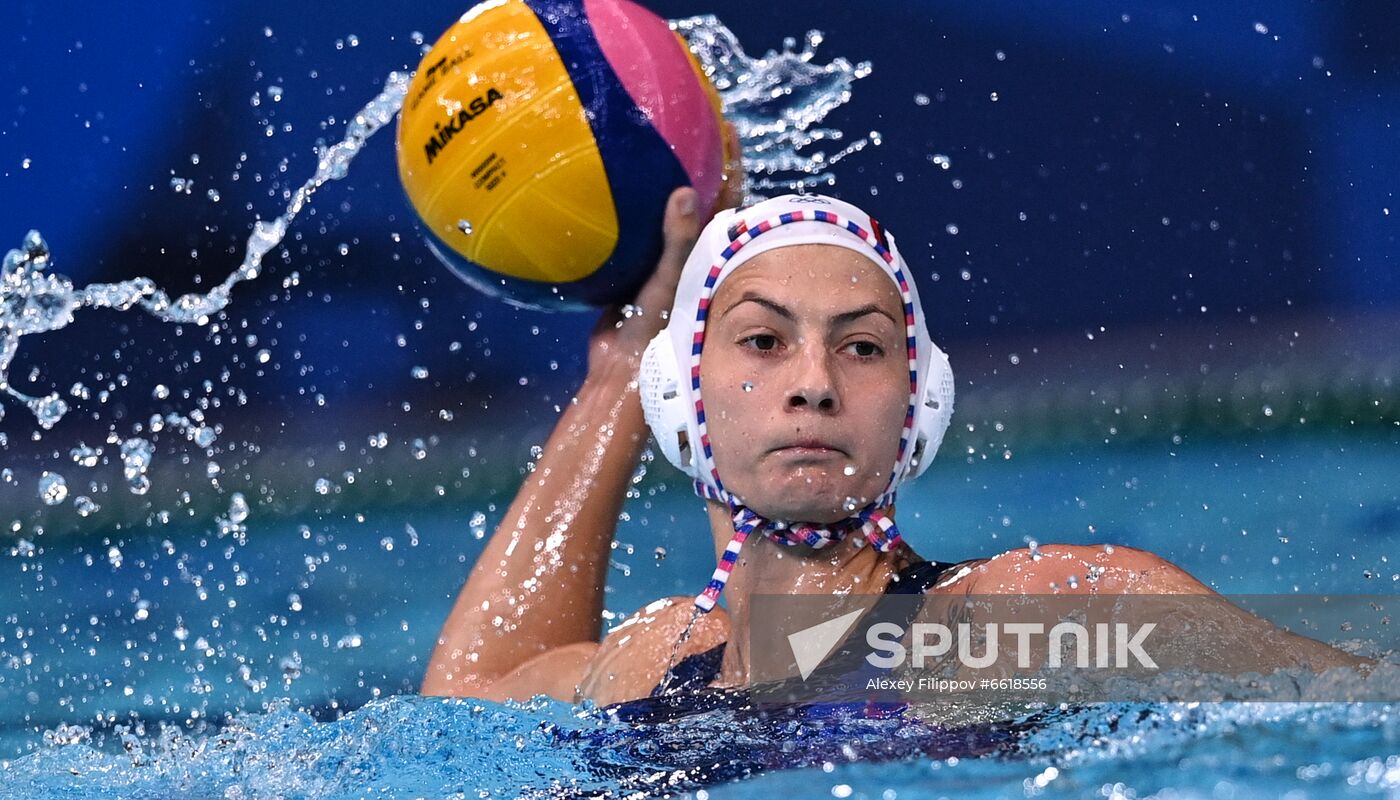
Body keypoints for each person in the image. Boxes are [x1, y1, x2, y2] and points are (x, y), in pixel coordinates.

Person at [422, 182, 1369, 706]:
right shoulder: (644, 666)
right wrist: (618, 370)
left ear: (919, 407)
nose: (814, 381)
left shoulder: (1038, 612)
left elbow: (1361, 704)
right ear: (679, 398)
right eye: (762, 339)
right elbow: (464, 703)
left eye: (863, 346)